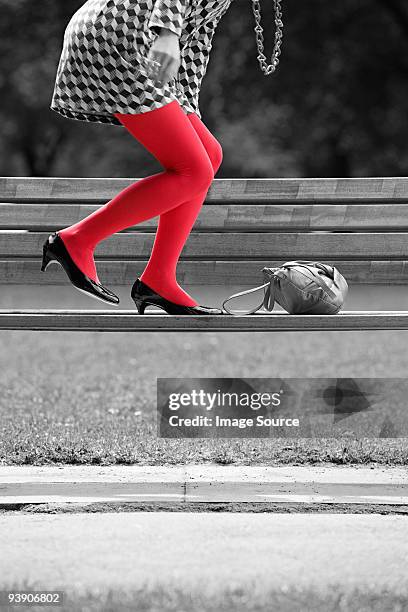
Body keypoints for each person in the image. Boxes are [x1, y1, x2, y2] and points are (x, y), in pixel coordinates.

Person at [42, 0, 234, 315]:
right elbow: (178, 23)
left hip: (136, 36)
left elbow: (198, 35)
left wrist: (186, 104)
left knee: (208, 154)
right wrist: (168, 32)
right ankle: (75, 241)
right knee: (193, 170)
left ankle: (159, 278)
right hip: (121, 35)